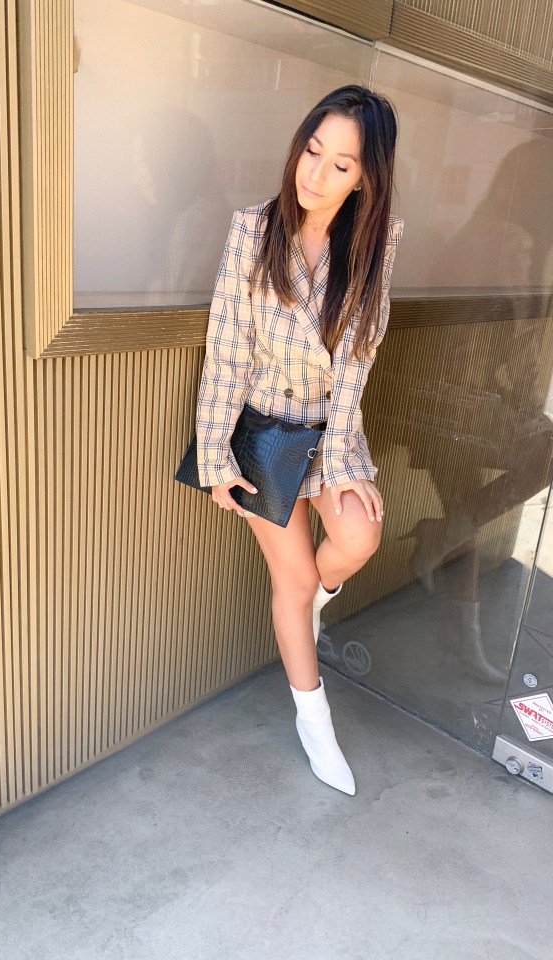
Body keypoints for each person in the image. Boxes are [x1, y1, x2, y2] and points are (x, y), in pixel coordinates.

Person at [195, 85, 404, 796]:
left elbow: (356, 365)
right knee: (294, 580)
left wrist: (343, 463)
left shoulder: (372, 248)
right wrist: (216, 456)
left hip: (331, 427)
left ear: (365, 177)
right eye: (312, 151)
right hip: (263, 431)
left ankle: (317, 597)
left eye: (340, 164)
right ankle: (315, 723)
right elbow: (226, 350)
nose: (315, 173)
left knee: (360, 533)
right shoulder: (254, 230)